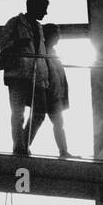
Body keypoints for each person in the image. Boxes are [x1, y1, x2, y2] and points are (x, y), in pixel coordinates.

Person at [0, 0, 49, 154]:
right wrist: (17, 43)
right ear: (34, 7)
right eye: (44, 9)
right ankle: (20, 146)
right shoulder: (14, 23)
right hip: (18, 73)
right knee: (18, 113)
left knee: (39, 111)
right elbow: (1, 43)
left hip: (35, 74)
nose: (46, 13)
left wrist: (45, 75)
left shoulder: (39, 27)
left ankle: (23, 143)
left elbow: (41, 52)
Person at [34, 24, 72, 158]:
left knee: (46, 120)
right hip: (49, 92)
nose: (59, 37)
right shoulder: (46, 52)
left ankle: (63, 151)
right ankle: (63, 151)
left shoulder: (50, 52)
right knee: (41, 119)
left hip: (53, 92)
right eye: (57, 34)